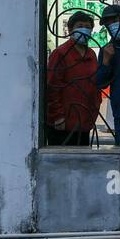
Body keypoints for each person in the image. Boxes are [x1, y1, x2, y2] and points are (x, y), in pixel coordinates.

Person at [44, 11, 101, 146]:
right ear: (70, 30)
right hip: (63, 123)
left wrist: (94, 112)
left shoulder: (91, 54)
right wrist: (57, 116)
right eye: (80, 26)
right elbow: (52, 86)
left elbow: (95, 85)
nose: (85, 30)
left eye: (88, 27)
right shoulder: (60, 53)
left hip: (85, 121)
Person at [94, 4, 120, 146]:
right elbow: (100, 82)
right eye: (107, 23)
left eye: (114, 20)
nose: (111, 25)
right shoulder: (107, 50)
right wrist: (106, 62)